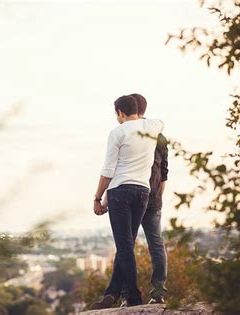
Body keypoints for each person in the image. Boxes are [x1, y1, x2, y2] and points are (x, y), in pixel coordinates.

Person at [90, 95, 164, 310]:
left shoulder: (117, 132)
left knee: (124, 246)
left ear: (120, 113)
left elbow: (108, 170)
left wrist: (97, 197)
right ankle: (112, 292)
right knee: (127, 245)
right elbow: (158, 121)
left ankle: (132, 296)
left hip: (120, 192)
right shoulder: (153, 126)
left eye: (117, 114)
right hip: (142, 192)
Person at [115, 93, 169, 306]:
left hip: (132, 196)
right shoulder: (158, 134)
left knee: (125, 246)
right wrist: (157, 197)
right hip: (152, 196)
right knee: (156, 244)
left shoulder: (127, 133)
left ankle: (126, 295)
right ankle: (158, 292)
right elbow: (164, 172)